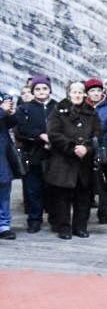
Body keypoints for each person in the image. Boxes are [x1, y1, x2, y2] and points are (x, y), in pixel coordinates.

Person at [45, 81, 101, 240]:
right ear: (69, 93)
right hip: (63, 160)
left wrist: (87, 148)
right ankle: (63, 227)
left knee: (83, 197)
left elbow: (97, 134)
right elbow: (53, 133)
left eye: (80, 92)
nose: (77, 95)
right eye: (74, 92)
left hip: (85, 161)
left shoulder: (91, 112)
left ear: (84, 94)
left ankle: (80, 227)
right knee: (62, 197)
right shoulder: (58, 110)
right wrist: (73, 147)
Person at [14, 74, 57, 233]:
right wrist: (40, 136)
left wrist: (52, 139)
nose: (41, 91)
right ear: (33, 91)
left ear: (49, 90)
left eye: (44, 88)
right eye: (37, 89)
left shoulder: (57, 106)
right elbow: (21, 129)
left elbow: (64, 127)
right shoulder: (25, 108)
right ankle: (34, 220)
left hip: (54, 155)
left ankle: (54, 218)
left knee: (53, 189)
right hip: (33, 154)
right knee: (33, 190)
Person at [85, 79, 107, 225]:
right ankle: (83, 215)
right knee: (85, 185)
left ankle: (103, 215)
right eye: (92, 91)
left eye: (98, 90)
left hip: (104, 149)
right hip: (86, 151)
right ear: (87, 93)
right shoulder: (82, 108)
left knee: (105, 185)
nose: (95, 93)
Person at [0, 93, 19, 239]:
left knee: (4, 188)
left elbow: (11, 123)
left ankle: (4, 226)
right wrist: (2, 111)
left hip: (3, 153)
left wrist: (11, 113)